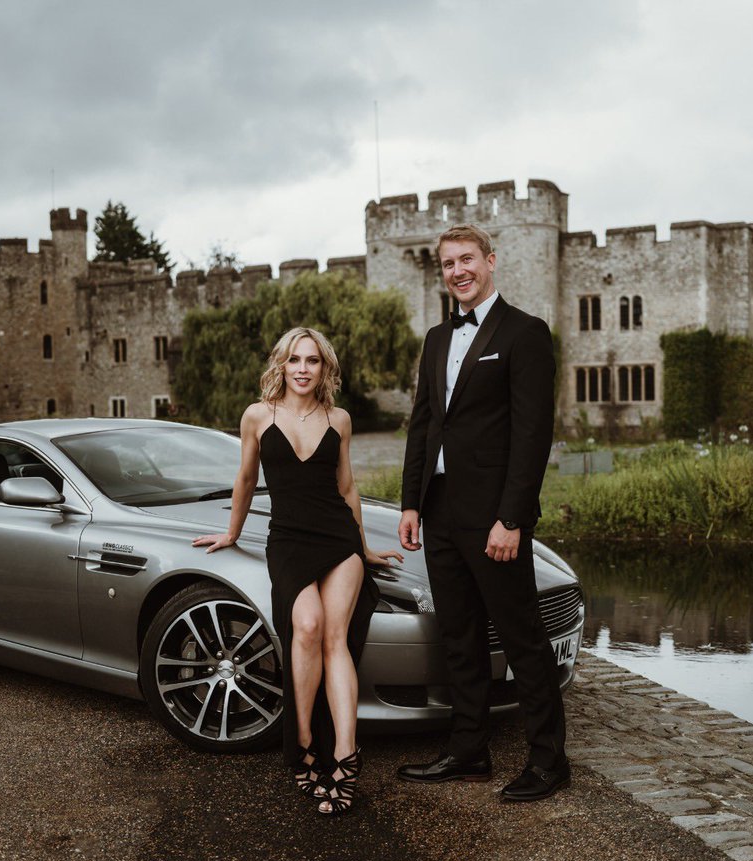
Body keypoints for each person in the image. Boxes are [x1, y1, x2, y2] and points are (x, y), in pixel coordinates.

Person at [193, 327, 402, 815]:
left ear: (324, 368)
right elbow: (245, 478)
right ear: (281, 367)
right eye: (294, 360)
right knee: (304, 627)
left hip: (338, 537)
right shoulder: (257, 416)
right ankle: (304, 739)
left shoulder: (340, 419)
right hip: (287, 540)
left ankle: (346, 757)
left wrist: (365, 547)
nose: (303, 369)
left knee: (335, 635)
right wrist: (231, 532)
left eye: (312, 360)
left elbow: (346, 488)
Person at [396, 224, 568, 801]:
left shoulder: (525, 333)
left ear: (490, 262)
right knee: (459, 636)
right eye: (448, 264)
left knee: (522, 639)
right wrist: (411, 502)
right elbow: (424, 425)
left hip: (496, 518)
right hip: (440, 513)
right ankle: (468, 751)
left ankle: (549, 762)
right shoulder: (436, 339)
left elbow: (532, 435)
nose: (457, 271)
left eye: (467, 259)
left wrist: (512, 519)